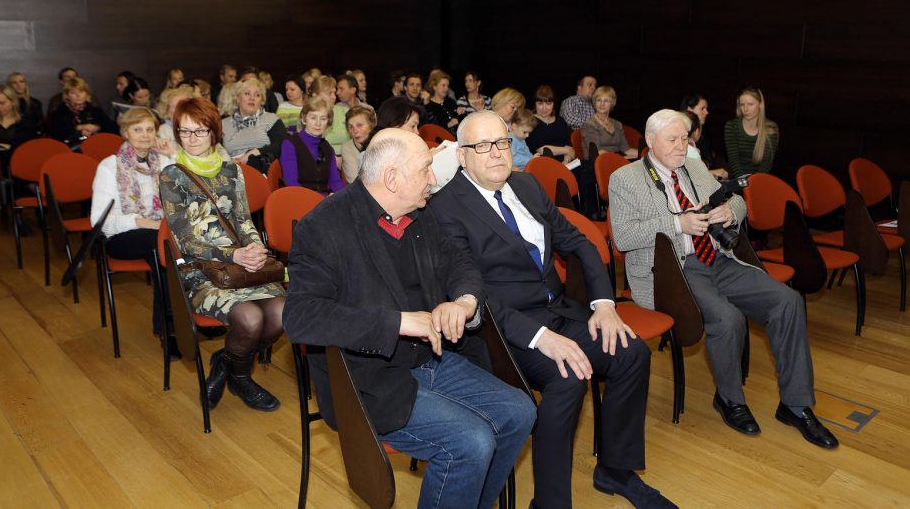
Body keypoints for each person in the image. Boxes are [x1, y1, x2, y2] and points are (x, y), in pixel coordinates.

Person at [283, 128, 537, 509]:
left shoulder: (419, 211)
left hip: (430, 358)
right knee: (472, 441)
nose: (434, 179)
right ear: (391, 178)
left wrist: (464, 302)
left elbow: (460, 263)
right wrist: (398, 322)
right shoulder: (323, 226)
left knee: (520, 411)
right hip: (366, 374)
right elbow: (300, 317)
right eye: (425, 170)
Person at [431, 111, 670, 509]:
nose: (496, 154)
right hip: (501, 333)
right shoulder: (445, 208)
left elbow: (577, 243)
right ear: (462, 156)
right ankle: (550, 502)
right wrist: (541, 338)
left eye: (503, 143)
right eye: (482, 146)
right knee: (568, 376)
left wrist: (605, 304)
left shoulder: (525, 185)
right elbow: (473, 292)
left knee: (632, 354)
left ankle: (615, 469)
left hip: (558, 311)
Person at [608, 109, 838, 449]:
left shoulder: (695, 166)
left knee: (787, 302)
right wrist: (677, 224)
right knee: (727, 318)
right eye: (672, 140)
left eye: (685, 139)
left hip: (717, 258)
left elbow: (737, 200)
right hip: (672, 270)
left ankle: (796, 405)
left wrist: (731, 212)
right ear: (650, 141)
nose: (681, 146)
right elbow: (624, 238)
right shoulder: (625, 179)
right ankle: (730, 400)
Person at [159, 97, 286, 411]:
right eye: (184, 132)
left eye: (199, 132)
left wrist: (254, 248)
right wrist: (234, 256)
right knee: (251, 319)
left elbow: (244, 220)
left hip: (241, 265)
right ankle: (241, 377)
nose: (191, 139)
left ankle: (227, 361)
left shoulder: (232, 171)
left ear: (214, 132)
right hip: (201, 271)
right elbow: (185, 241)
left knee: (284, 313)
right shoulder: (171, 175)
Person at [90, 108, 177, 356]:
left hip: (159, 234)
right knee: (160, 244)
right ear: (125, 132)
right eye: (137, 129)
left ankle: (180, 318)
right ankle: (169, 328)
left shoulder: (161, 161)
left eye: (150, 129)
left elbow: (183, 194)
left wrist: (172, 156)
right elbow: (100, 221)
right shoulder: (110, 166)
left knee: (165, 246)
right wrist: (141, 222)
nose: (145, 135)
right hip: (121, 236)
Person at [278, 95, 345, 194]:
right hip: (300, 199)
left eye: (323, 119)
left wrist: (344, 197)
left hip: (324, 201)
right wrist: (321, 199)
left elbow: (335, 181)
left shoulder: (328, 148)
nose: (318, 123)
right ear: (304, 119)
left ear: (328, 122)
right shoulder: (289, 144)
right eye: (313, 118)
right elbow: (291, 183)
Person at [221, 78, 286, 173]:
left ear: (262, 101)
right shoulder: (223, 124)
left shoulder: (271, 119)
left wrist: (255, 152)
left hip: (262, 171)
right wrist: (226, 160)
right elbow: (214, 150)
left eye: (257, 95)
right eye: (247, 93)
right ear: (238, 99)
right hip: (231, 172)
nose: (252, 98)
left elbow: (283, 144)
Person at [724, 87, 779, 177]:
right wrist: (744, 183)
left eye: (750, 104)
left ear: (760, 105)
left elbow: (766, 164)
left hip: (760, 180)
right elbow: (734, 161)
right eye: (742, 105)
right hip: (737, 179)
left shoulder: (771, 128)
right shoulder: (732, 126)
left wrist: (754, 183)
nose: (745, 109)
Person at [48, 77, 116, 144]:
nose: (78, 95)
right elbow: (57, 136)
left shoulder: (95, 110)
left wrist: (97, 127)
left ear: (86, 94)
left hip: (95, 145)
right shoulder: (59, 113)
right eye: (73, 93)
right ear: (67, 96)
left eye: (81, 91)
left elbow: (112, 128)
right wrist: (78, 129)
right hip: (70, 149)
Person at [580, 86, 637, 160]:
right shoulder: (589, 124)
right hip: (597, 163)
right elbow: (597, 152)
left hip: (617, 159)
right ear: (594, 103)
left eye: (606, 101)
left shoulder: (617, 124)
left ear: (612, 103)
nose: (602, 104)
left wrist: (646, 155)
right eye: (598, 100)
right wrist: (621, 158)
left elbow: (626, 150)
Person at [526, 84, 574, 162]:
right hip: (543, 163)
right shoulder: (530, 121)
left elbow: (569, 147)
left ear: (554, 104)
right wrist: (565, 150)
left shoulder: (560, 120)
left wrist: (566, 161)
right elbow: (542, 150)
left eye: (548, 104)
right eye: (540, 103)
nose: (544, 108)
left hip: (565, 162)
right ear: (535, 104)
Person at [685, 111, 728, 180]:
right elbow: (698, 178)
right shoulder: (691, 150)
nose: (706, 112)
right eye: (702, 108)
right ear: (696, 132)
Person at [341, 105, 375, 183]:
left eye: (359, 125)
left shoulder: (381, 142)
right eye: (350, 127)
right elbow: (354, 181)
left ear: (371, 125)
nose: (355, 130)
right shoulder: (348, 148)